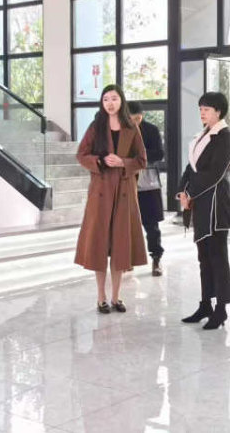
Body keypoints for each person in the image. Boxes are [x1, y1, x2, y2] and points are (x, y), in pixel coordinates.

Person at [75, 84, 148, 314]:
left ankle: (117, 297)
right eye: (106, 99)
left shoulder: (131, 128)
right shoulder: (96, 127)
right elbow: (81, 155)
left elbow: (142, 160)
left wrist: (123, 162)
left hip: (124, 192)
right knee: (98, 246)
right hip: (101, 192)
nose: (110, 103)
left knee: (120, 247)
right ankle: (101, 297)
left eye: (114, 98)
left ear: (121, 101)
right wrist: (99, 161)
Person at [179, 92, 230, 330]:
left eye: (207, 109)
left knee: (218, 257)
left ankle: (221, 308)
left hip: (215, 204)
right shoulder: (203, 134)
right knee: (204, 257)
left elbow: (216, 173)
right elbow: (191, 168)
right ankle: (205, 304)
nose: (202, 113)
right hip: (201, 202)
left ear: (218, 112)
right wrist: (181, 191)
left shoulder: (224, 136)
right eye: (201, 108)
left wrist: (190, 193)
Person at [128, 101, 165, 277]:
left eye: (138, 119)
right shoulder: (120, 130)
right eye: (131, 119)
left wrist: (139, 157)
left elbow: (159, 153)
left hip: (148, 183)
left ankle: (156, 259)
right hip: (127, 182)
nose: (135, 122)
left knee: (151, 225)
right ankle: (128, 259)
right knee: (126, 225)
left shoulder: (151, 130)